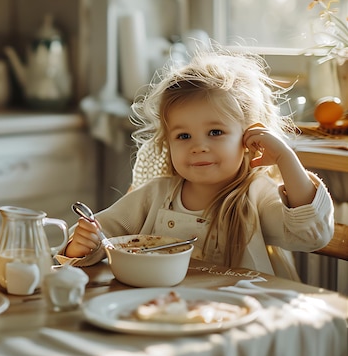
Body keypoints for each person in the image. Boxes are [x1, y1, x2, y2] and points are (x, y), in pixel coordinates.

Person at [60, 50, 334, 279]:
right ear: (168, 143)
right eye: (183, 136)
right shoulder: (154, 195)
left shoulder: (257, 196)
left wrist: (286, 159)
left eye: (215, 132)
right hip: (165, 311)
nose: (198, 146)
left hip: (243, 317)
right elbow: (103, 234)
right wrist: (81, 245)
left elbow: (311, 235)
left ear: (248, 137)